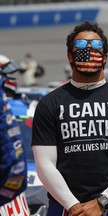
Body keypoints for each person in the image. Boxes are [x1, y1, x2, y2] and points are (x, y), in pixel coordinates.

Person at [32, 21, 108, 216]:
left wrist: (102, 202)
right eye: (80, 46)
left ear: (105, 57)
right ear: (69, 55)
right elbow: (44, 165)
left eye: (95, 46)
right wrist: (73, 206)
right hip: (64, 208)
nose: (88, 50)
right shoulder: (49, 104)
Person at [0, 54, 29, 214]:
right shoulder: (8, 108)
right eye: (6, 75)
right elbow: (15, 163)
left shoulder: (22, 106)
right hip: (9, 193)